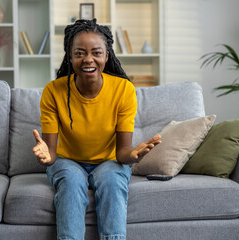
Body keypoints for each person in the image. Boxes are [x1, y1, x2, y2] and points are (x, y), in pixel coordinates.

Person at [32, 19, 161, 240]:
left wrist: (132, 156)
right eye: (80, 53)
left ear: (106, 56)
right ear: (70, 57)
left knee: (112, 181)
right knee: (72, 183)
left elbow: (122, 153)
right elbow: (52, 155)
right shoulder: (53, 91)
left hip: (109, 161)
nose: (88, 59)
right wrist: (45, 157)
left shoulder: (123, 90)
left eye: (96, 53)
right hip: (66, 161)